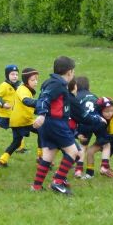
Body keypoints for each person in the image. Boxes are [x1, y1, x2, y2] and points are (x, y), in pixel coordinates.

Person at [30, 56, 80, 195]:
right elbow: (45, 99)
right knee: (74, 152)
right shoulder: (57, 84)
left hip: (48, 124)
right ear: (69, 72)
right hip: (55, 123)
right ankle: (58, 181)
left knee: (48, 155)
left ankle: (36, 186)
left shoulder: (50, 82)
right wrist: (41, 114)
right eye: (73, 72)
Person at [0, 68, 40, 167]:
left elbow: (30, 107)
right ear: (26, 80)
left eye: (36, 79)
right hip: (23, 120)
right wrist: (41, 103)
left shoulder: (26, 89)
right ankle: (41, 157)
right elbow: (26, 101)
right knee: (42, 131)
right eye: (33, 80)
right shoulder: (22, 89)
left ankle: (2, 160)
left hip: (18, 120)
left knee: (16, 142)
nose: (36, 82)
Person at [66, 78, 108, 178]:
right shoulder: (94, 96)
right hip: (98, 122)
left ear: (76, 87)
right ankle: (105, 166)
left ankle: (79, 170)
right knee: (106, 144)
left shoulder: (76, 97)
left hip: (85, 123)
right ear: (89, 87)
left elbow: (76, 113)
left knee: (83, 146)